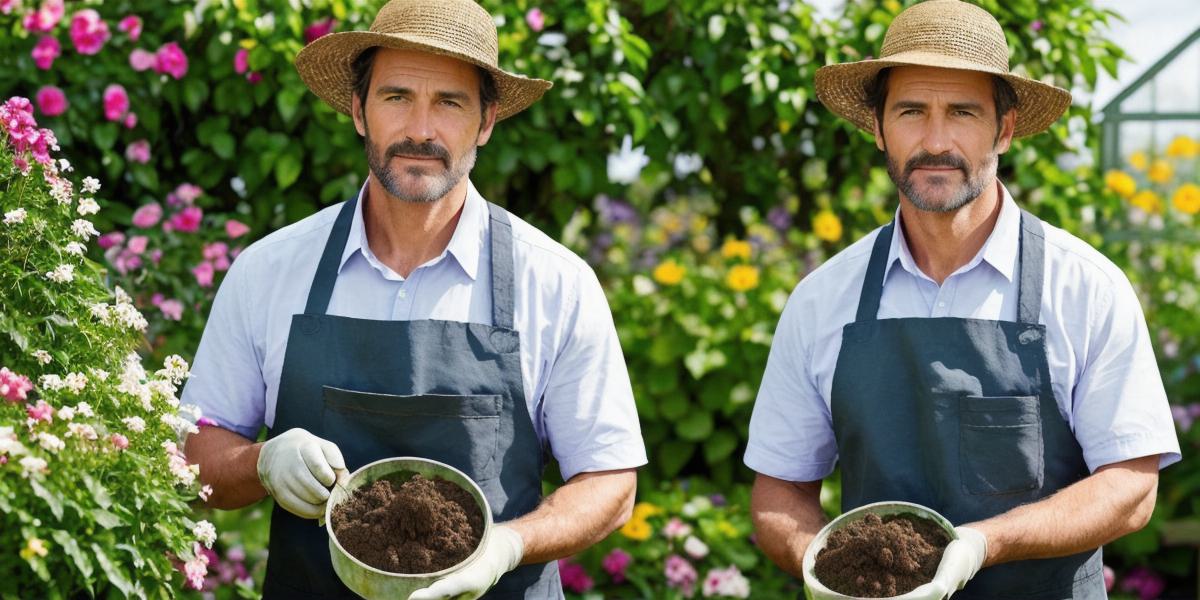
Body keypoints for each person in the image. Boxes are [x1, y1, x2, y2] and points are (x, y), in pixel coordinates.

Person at [181, 0, 647, 597]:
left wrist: (509, 545)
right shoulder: (269, 272)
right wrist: (261, 463)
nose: (421, 130)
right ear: (358, 110)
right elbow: (197, 452)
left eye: (449, 103)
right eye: (396, 96)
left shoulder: (554, 282)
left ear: (486, 121)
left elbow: (610, 483)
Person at [744, 1, 1181, 597]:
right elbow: (780, 489)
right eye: (911, 111)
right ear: (877, 128)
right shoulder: (823, 299)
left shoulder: (1084, 288)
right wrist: (822, 565)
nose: (935, 139)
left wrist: (982, 543)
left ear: (1003, 128)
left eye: (962, 112)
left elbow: (1131, 487)